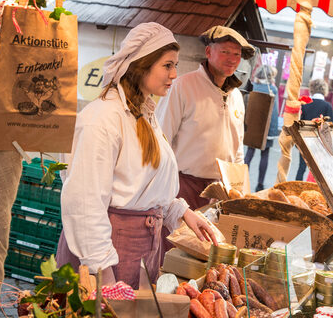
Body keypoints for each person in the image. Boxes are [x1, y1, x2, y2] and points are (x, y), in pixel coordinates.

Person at [56, 23, 217, 289]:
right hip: (110, 251)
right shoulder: (102, 119)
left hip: (139, 249)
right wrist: (102, 274)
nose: (175, 74)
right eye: (167, 65)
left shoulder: (143, 114)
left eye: (175, 65)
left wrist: (182, 212)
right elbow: (84, 203)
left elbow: (146, 183)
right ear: (142, 65)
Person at [155, 25, 254, 210]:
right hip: (184, 186)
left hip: (223, 189)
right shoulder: (182, 86)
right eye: (225, 52)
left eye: (237, 54)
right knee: (174, 238)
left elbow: (238, 147)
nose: (232, 60)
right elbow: (161, 139)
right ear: (208, 51)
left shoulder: (236, 96)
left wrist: (239, 187)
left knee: (212, 239)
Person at [244, 65, 280, 191]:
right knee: (265, 154)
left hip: (253, 126)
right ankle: (260, 184)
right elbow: (275, 113)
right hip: (268, 128)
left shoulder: (253, 86)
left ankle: (241, 180)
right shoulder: (273, 89)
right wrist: (274, 131)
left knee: (249, 153)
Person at [295, 78, 333, 181]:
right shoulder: (327, 106)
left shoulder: (305, 104)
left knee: (301, 168)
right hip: (320, 143)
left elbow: (298, 123)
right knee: (317, 169)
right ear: (324, 90)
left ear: (311, 89)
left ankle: (297, 186)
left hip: (305, 141)